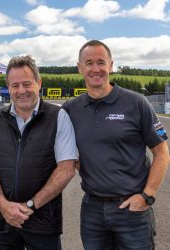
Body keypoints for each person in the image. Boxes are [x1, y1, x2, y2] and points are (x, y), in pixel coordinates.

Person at [62, 40, 170, 250]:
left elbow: (161, 152)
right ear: (80, 68)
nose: (96, 69)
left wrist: (147, 196)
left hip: (133, 210)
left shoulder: (137, 103)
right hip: (92, 209)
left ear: (111, 65)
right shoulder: (71, 109)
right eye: (89, 63)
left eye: (101, 62)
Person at [0, 55, 77, 250]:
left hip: (43, 221)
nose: (21, 91)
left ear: (38, 83)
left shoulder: (58, 117)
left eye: (27, 84)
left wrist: (30, 206)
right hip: (3, 221)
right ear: (8, 87)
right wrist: (3, 205)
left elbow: (66, 169)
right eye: (15, 85)